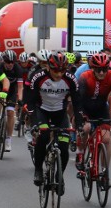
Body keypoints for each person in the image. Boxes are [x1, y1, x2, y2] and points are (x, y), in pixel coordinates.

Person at [26, 52, 83, 191]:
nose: (59, 74)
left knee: (64, 146)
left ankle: (59, 176)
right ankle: (38, 169)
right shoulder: (38, 77)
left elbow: (77, 103)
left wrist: (79, 123)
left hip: (60, 112)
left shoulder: (70, 78)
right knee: (44, 136)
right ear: (49, 67)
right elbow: (31, 102)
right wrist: (34, 123)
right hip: (42, 111)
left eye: (62, 70)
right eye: (56, 70)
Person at [76, 52, 111, 178]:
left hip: (101, 109)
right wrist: (80, 116)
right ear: (93, 68)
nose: (102, 73)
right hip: (86, 109)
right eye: (98, 70)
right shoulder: (84, 77)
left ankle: (104, 170)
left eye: (104, 69)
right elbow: (79, 100)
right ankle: (80, 153)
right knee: (85, 128)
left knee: (107, 139)